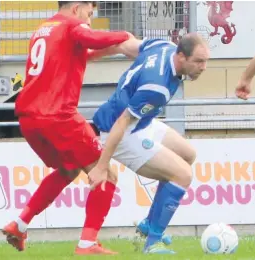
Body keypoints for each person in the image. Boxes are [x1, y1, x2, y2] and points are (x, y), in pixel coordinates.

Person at [2, 1, 132, 255]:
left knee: (69, 169)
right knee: (105, 172)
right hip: (58, 116)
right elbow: (90, 37)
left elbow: (76, 53)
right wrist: (124, 36)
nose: (89, 20)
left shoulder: (44, 29)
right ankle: (87, 243)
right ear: (76, 9)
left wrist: (113, 50)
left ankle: (19, 224)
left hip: (29, 119)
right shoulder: (72, 25)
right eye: (89, 13)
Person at [89, 33, 210, 254]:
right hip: (118, 131)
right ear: (181, 57)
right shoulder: (157, 88)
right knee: (183, 175)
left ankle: (149, 223)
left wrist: (92, 55)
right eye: (199, 62)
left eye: (206, 61)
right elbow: (122, 122)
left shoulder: (164, 46)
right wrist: (101, 166)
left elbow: (125, 45)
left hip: (140, 121)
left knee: (188, 155)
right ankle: (153, 241)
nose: (203, 68)